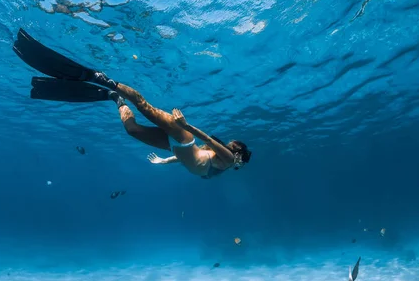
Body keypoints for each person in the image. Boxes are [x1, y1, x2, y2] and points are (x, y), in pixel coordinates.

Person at [13, 28, 251, 179]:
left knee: (132, 129)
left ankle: (114, 98)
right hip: (183, 137)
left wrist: (165, 161)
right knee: (143, 106)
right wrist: (185, 126)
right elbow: (208, 140)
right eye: (238, 155)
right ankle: (104, 80)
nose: (236, 159)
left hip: (173, 148)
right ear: (237, 155)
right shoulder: (228, 160)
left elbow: (190, 160)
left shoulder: (220, 167)